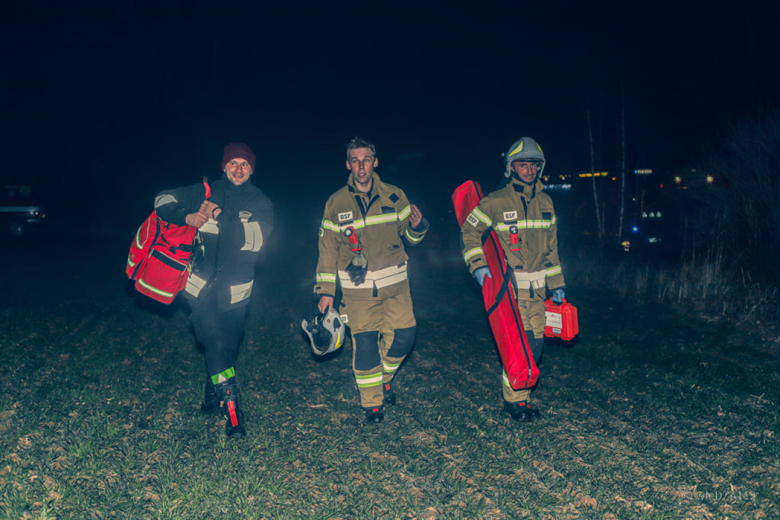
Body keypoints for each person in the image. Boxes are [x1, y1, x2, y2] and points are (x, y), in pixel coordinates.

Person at [154, 142, 273, 438]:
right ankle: (235, 417)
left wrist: (219, 214)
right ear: (224, 166)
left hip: (236, 293)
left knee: (226, 348)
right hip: (200, 288)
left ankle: (211, 396)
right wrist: (186, 216)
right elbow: (161, 200)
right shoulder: (204, 191)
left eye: (244, 164)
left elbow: (253, 242)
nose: (238, 169)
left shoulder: (260, 203)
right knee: (217, 342)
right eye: (233, 163)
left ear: (252, 170)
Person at [313, 137, 429, 423]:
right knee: (365, 345)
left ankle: (383, 378)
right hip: (357, 291)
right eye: (355, 160)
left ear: (375, 162)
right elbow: (327, 250)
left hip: (396, 286)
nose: (361, 166)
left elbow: (411, 239)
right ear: (348, 164)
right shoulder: (335, 202)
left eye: (366, 160)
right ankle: (372, 405)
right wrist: (326, 291)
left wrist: (419, 227)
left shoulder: (394, 195)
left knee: (404, 336)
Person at [460, 136, 565, 422]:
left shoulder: (546, 202)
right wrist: (478, 266)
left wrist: (557, 285)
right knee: (521, 346)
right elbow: (469, 233)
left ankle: (523, 396)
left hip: (540, 292)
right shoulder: (495, 201)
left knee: (536, 348)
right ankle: (515, 401)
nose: (528, 170)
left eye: (533, 165)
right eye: (522, 164)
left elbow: (552, 249)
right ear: (511, 167)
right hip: (511, 290)